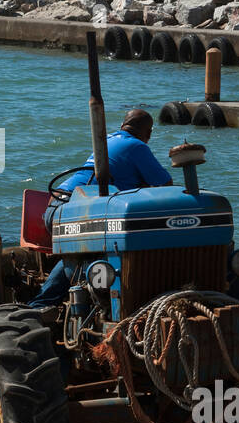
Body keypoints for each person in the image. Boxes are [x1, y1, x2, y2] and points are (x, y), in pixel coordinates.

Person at [29, 109, 172, 309]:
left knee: (82, 254)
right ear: (148, 133)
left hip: (57, 206)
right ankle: (109, 305)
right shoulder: (136, 146)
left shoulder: (109, 140)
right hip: (72, 208)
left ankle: (42, 305)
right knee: (97, 253)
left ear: (124, 125)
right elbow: (165, 185)